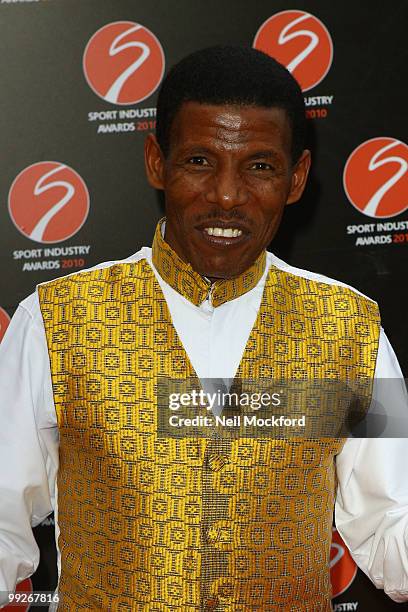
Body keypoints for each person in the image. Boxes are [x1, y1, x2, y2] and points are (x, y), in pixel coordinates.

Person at [0, 45, 407, 611]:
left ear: (297, 177)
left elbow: (393, 517)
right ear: (156, 162)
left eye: (260, 166)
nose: (226, 196)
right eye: (198, 161)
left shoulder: (350, 330)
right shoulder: (54, 319)